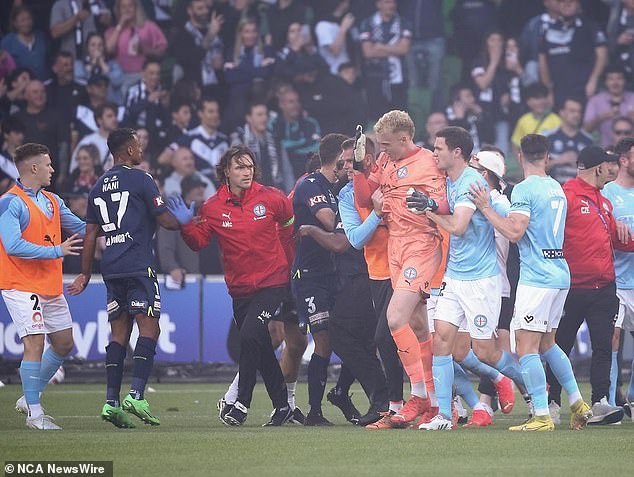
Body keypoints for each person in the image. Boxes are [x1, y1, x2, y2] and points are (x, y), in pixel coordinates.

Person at [469, 133, 592, 431]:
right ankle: (578, 402)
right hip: (560, 272)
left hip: (537, 278)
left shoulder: (524, 190)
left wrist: (486, 207)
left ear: (520, 157)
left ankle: (540, 415)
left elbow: (515, 232)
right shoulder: (557, 188)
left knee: (526, 349)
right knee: (548, 343)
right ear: (547, 157)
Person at [167, 144, 295, 426]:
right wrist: (186, 225)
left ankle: (240, 404)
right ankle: (282, 404)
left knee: (249, 335)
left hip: (273, 281)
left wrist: (288, 267)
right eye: (240, 167)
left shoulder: (272, 198)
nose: (247, 172)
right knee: (259, 344)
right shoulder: (212, 207)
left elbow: (288, 227)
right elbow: (198, 242)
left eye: (249, 166)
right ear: (226, 171)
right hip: (240, 289)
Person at [68, 128, 181, 428]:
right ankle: (136, 394)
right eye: (138, 144)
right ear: (128, 151)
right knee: (150, 328)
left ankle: (110, 402)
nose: (141, 148)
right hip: (138, 264)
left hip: (112, 268)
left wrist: (84, 273)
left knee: (118, 334)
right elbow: (164, 219)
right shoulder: (142, 179)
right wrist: (185, 220)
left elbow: (90, 234)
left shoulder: (97, 187)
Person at [419, 126, 525, 430]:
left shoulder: (470, 182)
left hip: (481, 280)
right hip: (455, 276)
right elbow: (449, 211)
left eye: (439, 148)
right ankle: (442, 416)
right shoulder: (451, 181)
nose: (434, 152)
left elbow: (459, 226)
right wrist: (429, 204)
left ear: (456, 152)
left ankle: (524, 384)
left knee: (485, 351)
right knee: (442, 341)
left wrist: (431, 214)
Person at [352, 111, 448, 429]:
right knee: (420, 329)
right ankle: (436, 405)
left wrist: (431, 204)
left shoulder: (431, 162)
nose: (384, 150)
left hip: (421, 246)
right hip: (396, 247)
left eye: (387, 145)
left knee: (395, 319)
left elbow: (446, 204)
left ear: (405, 139)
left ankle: (417, 394)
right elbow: (365, 197)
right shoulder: (385, 161)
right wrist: (358, 168)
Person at [1, 143, 85, 429]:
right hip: (20, 284)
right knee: (35, 343)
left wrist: (119, 228)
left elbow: (82, 227)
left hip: (49, 283)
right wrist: (56, 252)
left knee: (63, 343)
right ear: (33, 168)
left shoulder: (52, 200)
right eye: (48, 164)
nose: (53, 169)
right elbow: (12, 245)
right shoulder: (9, 202)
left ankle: (29, 396)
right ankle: (34, 415)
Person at [545, 145, 628, 425]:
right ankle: (552, 402)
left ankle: (600, 402)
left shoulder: (604, 201)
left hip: (604, 287)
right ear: (598, 168)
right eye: (609, 164)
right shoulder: (566, 195)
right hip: (572, 286)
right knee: (560, 345)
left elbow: (616, 241)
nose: (613, 169)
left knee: (603, 346)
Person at [291, 133, 347, 425]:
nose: (350, 165)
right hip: (310, 276)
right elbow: (330, 220)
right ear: (336, 158)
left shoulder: (338, 187)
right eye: (346, 159)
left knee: (353, 337)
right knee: (323, 341)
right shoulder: (310, 185)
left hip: (334, 275)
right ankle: (314, 412)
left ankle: (341, 394)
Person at [603, 136, 634, 419]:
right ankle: (611, 400)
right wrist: (615, 227)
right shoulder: (608, 193)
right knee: (611, 337)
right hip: (615, 279)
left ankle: (633, 398)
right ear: (624, 160)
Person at [538, 0, 608, 107]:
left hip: (584, 90)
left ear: (578, 4)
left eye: (571, 1)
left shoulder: (590, 26)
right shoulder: (547, 29)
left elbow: (602, 55)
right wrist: (548, 91)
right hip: (558, 92)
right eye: (562, 1)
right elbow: (543, 62)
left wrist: (594, 80)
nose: (566, 4)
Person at [359, 0, 412, 118]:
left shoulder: (404, 23)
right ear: (378, 4)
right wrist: (394, 49)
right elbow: (368, 52)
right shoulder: (367, 23)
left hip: (398, 79)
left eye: (393, 2)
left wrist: (380, 47)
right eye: (387, 2)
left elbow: (403, 49)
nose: (392, 5)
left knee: (399, 119)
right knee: (376, 118)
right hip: (374, 77)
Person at [105, 0, 167, 92]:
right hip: (122, 77)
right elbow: (109, 50)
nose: (127, 9)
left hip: (143, 75)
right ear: (118, 10)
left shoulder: (149, 27)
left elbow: (162, 50)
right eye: (123, 7)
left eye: (130, 6)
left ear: (136, 8)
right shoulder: (112, 31)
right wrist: (120, 24)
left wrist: (145, 50)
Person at [231, 102, 281, 188]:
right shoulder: (240, 140)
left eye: (265, 114)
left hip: (274, 190)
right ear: (249, 118)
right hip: (248, 193)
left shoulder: (275, 139)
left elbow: (286, 170)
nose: (264, 118)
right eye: (259, 115)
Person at [545, 97, 594, 185]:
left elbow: (594, 172)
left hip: (579, 190)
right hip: (553, 189)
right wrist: (559, 160)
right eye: (572, 111)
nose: (576, 115)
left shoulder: (588, 140)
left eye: (579, 111)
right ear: (562, 113)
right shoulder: (548, 137)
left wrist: (579, 164)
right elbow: (538, 168)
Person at [583, 65, 634, 147]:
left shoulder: (632, 98)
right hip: (604, 150)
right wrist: (601, 118)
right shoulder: (595, 101)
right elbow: (585, 130)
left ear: (625, 80)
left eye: (619, 78)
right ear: (605, 82)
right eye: (611, 79)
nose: (615, 82)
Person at [0, 6, 49, 81]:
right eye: (22, 20)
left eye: (29, 19)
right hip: (20, 87)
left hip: (43, 85)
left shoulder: (41, 36)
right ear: (15, 23)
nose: (27, 23)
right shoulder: (7, 42)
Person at [70, 102, 118, 173]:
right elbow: (74, 168)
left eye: (115, 116)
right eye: (109, 116)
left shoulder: (122, 142)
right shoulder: (87, 142)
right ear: (99, 120)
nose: (114, 119)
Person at [0, 116, 24, 194]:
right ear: (6, 135)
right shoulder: (1, 159)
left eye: (21, 133)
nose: (21, 136)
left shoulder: (28, 157)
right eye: (17, 133)